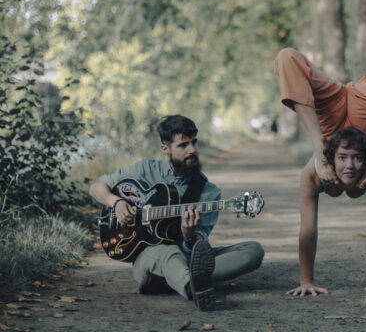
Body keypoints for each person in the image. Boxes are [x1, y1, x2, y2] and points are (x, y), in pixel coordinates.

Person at [274, 48, 366, 296]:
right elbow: (307, 230)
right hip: (331, 112)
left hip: (362, 106)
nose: (350, 167)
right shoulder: (313, 174)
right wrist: (305, 282)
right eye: (343, 159)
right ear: (333, 160)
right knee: (286, 56)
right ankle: (323, 149)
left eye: (356, 161)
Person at [89, 115, 264, 311]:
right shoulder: (145, 169)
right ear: (166, 148)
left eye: (194, 143)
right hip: (150, 256)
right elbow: (96, 188)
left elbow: (198, 247)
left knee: (253, 250)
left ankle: (179, 279)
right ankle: (192, 287)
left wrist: (189, 236)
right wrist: (117, 202)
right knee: (168, 251)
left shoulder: (209, 192)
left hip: (187, 257)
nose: (192, 150)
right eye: (183, 145)